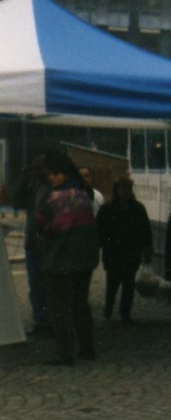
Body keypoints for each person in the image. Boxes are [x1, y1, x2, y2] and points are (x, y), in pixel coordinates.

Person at [34, 150, 99, 365]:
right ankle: (87, 347)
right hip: (84, 258)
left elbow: (41, 222)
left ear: (62, 173)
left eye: (53, 174)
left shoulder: (55, 196)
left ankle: (65, 352)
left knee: (58, 307)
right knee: (80, 303)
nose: (50, 178)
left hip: (59, 258)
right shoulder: (83, 192)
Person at [96, 176, 152, 325]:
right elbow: (99, 230)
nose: (127, 192)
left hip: (131, 252)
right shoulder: (107, 209)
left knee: (128, 285)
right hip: (113, 253)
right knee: (112, 283)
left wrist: (146, 250)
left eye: (129, 189)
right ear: (117, 190)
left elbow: (145, 230)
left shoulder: (138, 208)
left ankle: (125, 314)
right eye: (124, 188)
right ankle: (109, 307)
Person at [13, 155, 51, 335]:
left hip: (49, 243)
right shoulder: (33, 184)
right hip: (32, 242)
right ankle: (41, 322)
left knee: (49, 285)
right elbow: (17, 202)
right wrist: (25, 176)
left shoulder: (54, 187)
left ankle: (52, 323)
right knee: (35, 285)